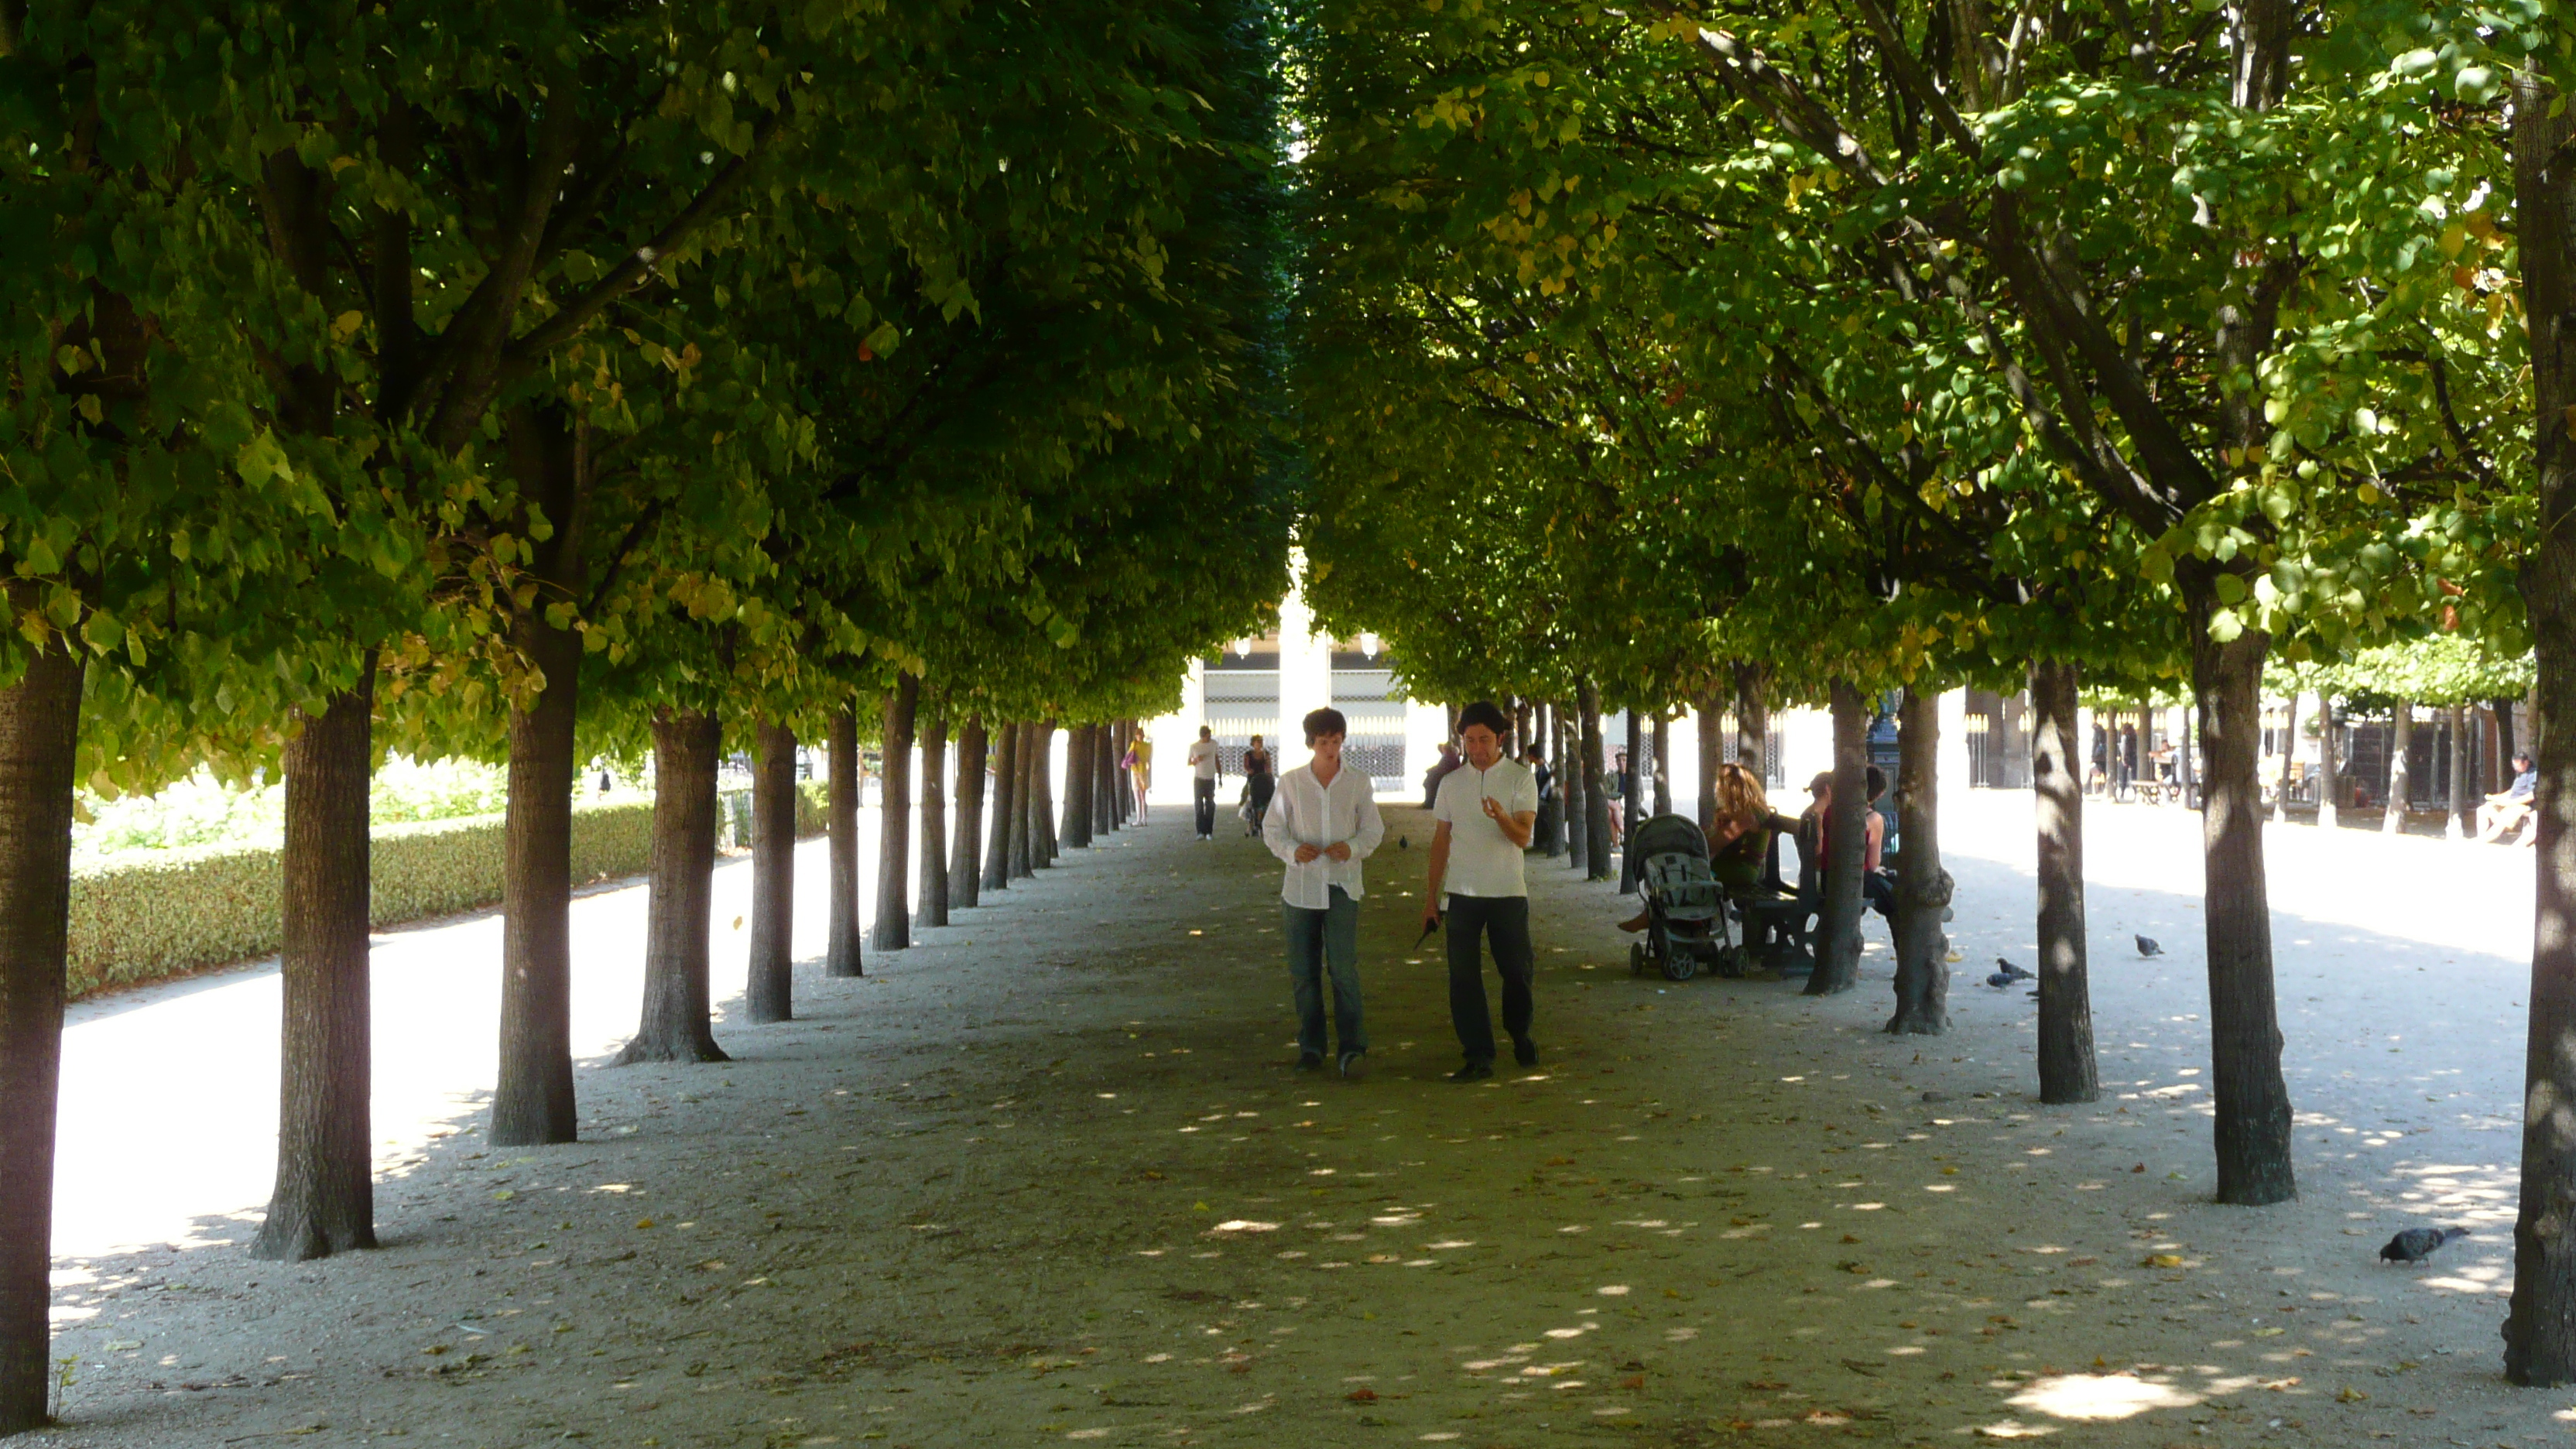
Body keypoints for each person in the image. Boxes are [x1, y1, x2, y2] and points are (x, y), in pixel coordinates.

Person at [1424, 701, 1540, 1082]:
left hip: (1507, 892)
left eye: (1484, 740)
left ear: (1501, 738)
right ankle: (1478, 1053)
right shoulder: (1450, 783)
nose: (1477, 748)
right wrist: (1431, 898)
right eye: (1470, 740)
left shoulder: (1520, 778)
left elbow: (1523, 837)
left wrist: (1502, 817)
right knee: (1464, 977)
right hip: (1461, 893)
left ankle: (1519, 1031)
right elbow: (1441, 841)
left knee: (1517, 972)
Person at [1266, 707, 1385, 1078]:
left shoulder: (1358, 782)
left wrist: (1351, 847)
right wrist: (1291, 850)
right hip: (1300, 887)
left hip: (1342, 885)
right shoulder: (1291, 782)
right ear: (1311, 744)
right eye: (1323, 742)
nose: (1331, 749)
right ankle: (1311, 1045)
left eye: (1336, 741)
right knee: (1303, 970)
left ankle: (1352, 1045)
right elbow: (1273, 827)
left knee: (1342, 968)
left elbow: (1373, 831)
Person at [1619, 762, 1770, 932]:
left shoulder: (1747, 815)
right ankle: (1668, 918)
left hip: (1741, 870)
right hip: (1731, 865)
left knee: (1686, 874)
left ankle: (1654, 917)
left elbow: (1713, 844)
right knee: (1683, 873)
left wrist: (1708, 833)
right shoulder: (1748, 811)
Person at [2478, 752, 2539, 843]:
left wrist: (2510, 803)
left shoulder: (2533, 774)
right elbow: (2513, 791)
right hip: (2511, 802)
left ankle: (2483, 841)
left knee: (2502, 822)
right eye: (2514, 766)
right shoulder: (2521, 772)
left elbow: (2532, 795)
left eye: (2518, 766)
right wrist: (2497, 798)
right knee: (2482, 810)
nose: (2516, 769)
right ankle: (2481, 836)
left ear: (2526, 763)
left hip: (2522, 804)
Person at [1187, 725, 1223, 840]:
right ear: (1202, 736)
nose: (1209, 738)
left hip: (1210, 778)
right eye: (1207, 736)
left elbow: (1216, 759)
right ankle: (1200, 831)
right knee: (1198, 804)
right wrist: (1196, 760)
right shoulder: (1194, 747)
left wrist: (1220, 775)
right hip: (1199, 779)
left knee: (1210, 804)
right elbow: (1189, 762)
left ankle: (1209, 831)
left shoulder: (1214, 744)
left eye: (1210, 735)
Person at [1524, 742, 1557, 855]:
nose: (1528, 758)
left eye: (1529, 755)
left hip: (1545, 801)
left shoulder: (1544, 769)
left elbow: (1546, 788)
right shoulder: (1540, 768)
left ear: (1533, 756)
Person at [1242, 734, 1276, 837]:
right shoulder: (1248, 754)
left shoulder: (1266, 754)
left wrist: (1270, 776)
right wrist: (1249, 770)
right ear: (1253, 743)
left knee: (1264, 802)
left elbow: (1269, 766)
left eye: (1261, 741)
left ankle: (1261, 825)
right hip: (1252, 781)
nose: (1260, 743)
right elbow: (1246, 766)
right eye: (1258, 741)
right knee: (1251, 802)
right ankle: (1250, 825)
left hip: (1264, 780)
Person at [1423, 740, 1463, 808]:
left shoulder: (1450, 756)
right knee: (1428, 781)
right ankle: (1429, 801)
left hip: (1445, 776)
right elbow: (1440, 766)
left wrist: (1432, 771)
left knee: (1431, 782)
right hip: (1441, 774)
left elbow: (1443, 768)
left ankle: (1430, 803)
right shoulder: (1447, 756)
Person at [1125, 731, 1154, 824]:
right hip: (1144, 772)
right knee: (1143, 797)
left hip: (1135, 771)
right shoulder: (1148, 746)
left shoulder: (1134, 744)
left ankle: (1138, 819)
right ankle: (1144, 819)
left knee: (1137, 796)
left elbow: (1129, 755)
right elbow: (1149, 759)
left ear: (1136, 736)